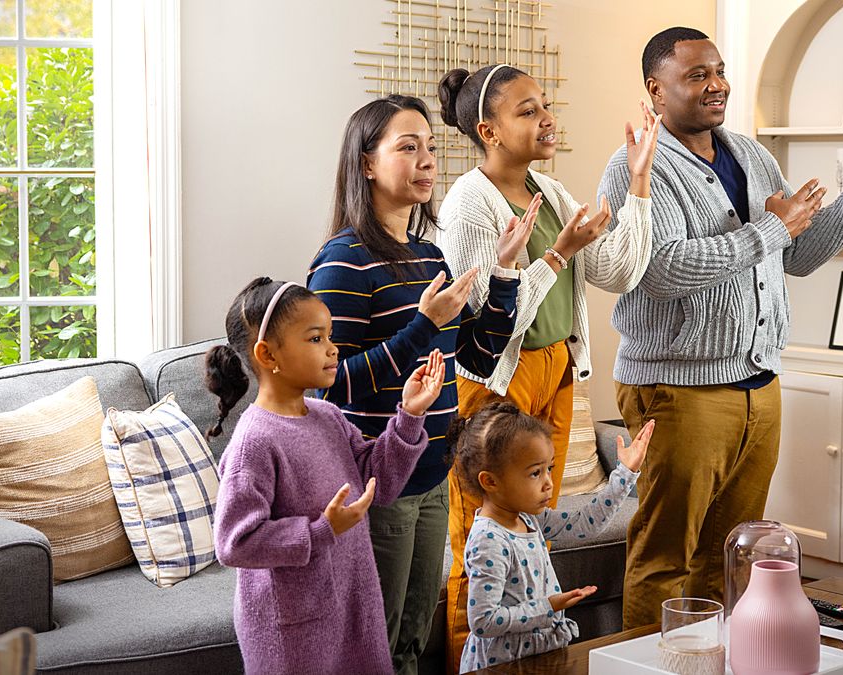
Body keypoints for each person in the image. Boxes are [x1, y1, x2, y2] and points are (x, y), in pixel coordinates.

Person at [599, 26, 843, 628]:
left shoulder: (750, 153)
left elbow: (794, 254)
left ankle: (718, 663)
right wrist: (772, 230)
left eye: (718, 70)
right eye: (697, 75)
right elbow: (662, 269)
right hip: (679, 391)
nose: (717, 84)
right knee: (667, 559)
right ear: (655, 89)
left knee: (731, 557)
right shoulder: (634, 166)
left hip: (758, 386)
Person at [435, 64, 662, 668]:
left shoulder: (550, 192)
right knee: (475, 538)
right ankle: (478, 663)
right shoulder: (467, 204)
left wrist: (639, 183)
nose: (546, 118)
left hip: (555, 369)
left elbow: (620, 272)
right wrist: (559, 253)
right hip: (496, 382)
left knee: (537, 515)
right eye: (528, 110)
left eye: (545, 105)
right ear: (488, 129)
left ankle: (536, 657)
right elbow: (488, 321)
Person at [306, 95, 532, 674]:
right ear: (365, 164)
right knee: (373, 647)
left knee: (412, 641)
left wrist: (505, 273)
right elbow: (327, 386)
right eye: (408, 147)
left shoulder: (431, 256)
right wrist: (422, 327)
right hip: (378, 484)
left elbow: (477, 356)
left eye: (430, 147)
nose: (427, 160)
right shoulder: (343, 261)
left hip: (434, 476)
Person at [207, 277, 446, 674]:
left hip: (353, 608)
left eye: (329, 336)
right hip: (293, 633)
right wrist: (321, 529)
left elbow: (378, 485)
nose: (333, 349)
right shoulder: (255, 441)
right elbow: (235, 542)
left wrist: (410, 415)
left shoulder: (328, 416)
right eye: (315, 338)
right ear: (268, 355)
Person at [449, 403, 655, 671]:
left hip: (541, 655)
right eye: (535, 473)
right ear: (490, 482)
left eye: (549, 469)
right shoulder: (489, 541)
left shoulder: (528, 518)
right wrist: (546, 607)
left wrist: (624, 473)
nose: (549, 483)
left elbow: (585, 524)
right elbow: (484, 621)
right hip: (505, 666)